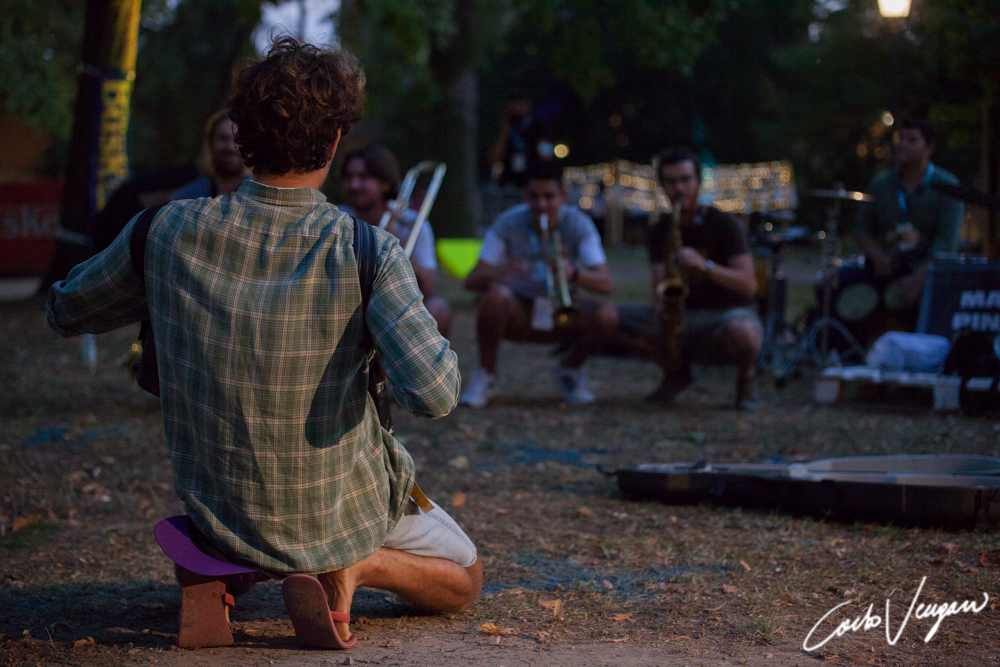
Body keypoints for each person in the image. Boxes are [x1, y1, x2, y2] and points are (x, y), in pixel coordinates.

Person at [46, 38, 480, 651]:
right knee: (465, 578)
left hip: (220, 506)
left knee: (227, 529)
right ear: (335, 140)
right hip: (340, 510)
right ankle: (355, 566)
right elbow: (435, 395)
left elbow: (65, 309)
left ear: (242, 136)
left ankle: (217, 567)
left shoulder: (163, 231)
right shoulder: (368, 250)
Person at [460, 160, 617, 408]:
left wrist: (573, 274)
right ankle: (486, 375)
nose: (541, 205)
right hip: (519, 308)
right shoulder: (508, 222)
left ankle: (569, 370)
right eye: (534, 196)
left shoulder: (579, 224)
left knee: (606, 314)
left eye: (549, 196)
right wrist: (499, 271)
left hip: (563, 310)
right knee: (494, 296)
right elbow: (471, 280)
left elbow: (606, 284)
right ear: (525, 195)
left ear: (563, 195)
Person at [614, 148, 762, 410]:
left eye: (685, 179)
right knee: (612, 319)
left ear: (698, 181)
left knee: (743, 332)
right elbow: (658, 283)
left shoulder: (724, 223)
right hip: (682, 313)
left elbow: (748, 284)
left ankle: (745, 381)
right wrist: (662, 307)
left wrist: (705, 266)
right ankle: (675, 373)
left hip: (725, 313)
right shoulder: (659, 229)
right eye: (671, 181)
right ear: (662, 186)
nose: (679, 188)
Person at [850, 118, 964, 333]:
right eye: (900, 138)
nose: (902, 145)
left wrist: (919, 278)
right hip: (886, 266)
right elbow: (862, 228)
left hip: (927, 270)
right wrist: (877, 258)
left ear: (929, 148)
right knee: (838, 284)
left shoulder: (948, 186)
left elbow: (946, 243)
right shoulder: (881, 184)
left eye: (912, 140)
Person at [340, 146, 452, 336]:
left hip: (395, 307)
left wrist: (394, 246)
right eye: (349, 177)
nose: (354, 185)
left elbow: (428, 288)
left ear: (385, 183)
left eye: (364, 177)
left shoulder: (412, 223)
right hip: (345, 307)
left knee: (438, 308)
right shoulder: (336, 218)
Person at [172, 110, 249, 199]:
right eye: (223, 139)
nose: (230, 147)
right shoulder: (188, 198)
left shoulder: (259, 194)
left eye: (237, 139)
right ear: (210, 143)